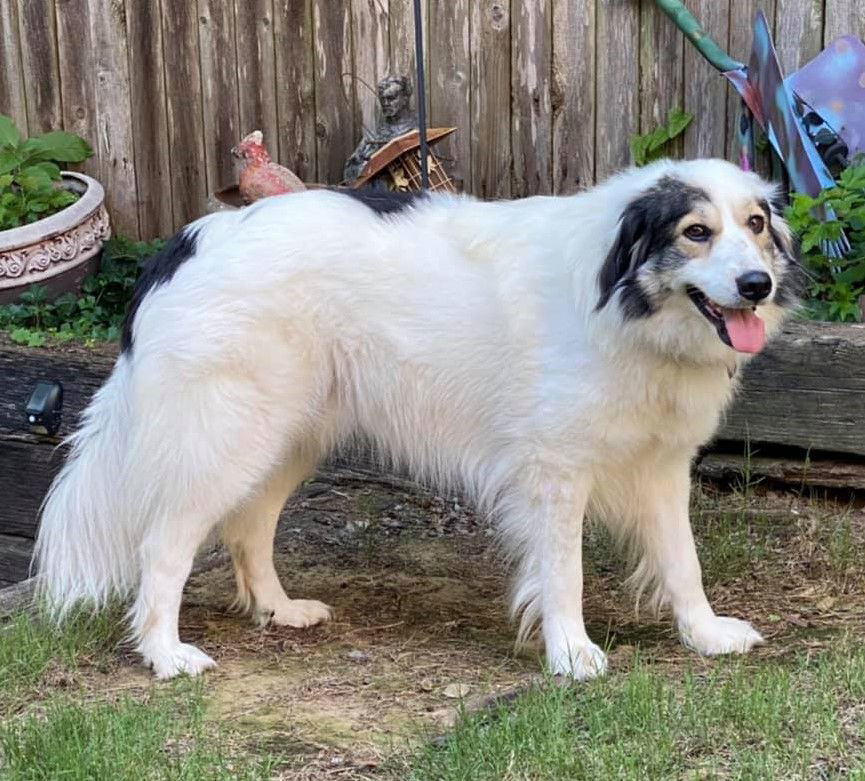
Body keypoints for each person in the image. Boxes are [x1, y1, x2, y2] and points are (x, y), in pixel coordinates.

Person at [343, 76, 417, 183]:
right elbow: (350, 173)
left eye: (391, 98)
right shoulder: (374, 135)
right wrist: (368, 165)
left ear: (405, 99)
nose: (386, 103)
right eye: (382, 99)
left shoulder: (419, 128)